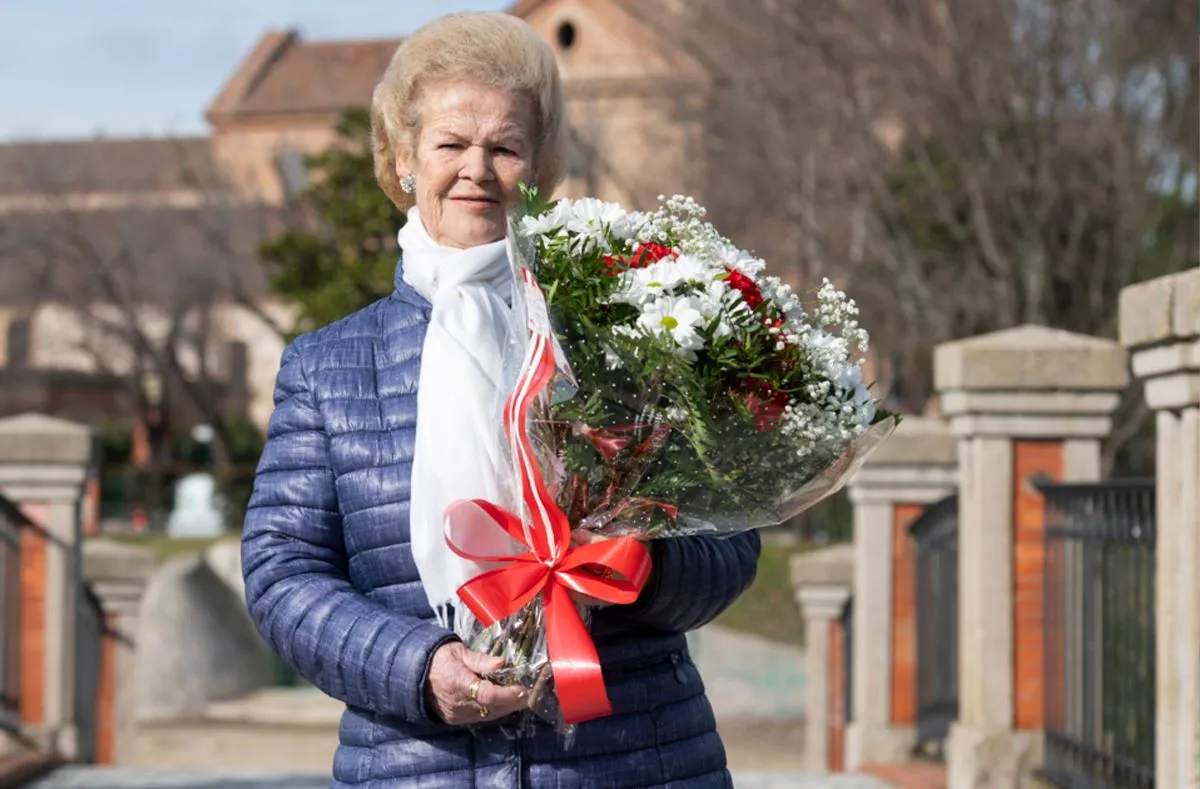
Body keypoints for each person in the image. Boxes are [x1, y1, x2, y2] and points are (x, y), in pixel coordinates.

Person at [241, 12, 760, 788]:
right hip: (417, 768)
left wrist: (636, 562)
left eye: (505, 146)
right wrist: (419, 668)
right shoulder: (325, 367)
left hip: (631, 761)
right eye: (451, 143)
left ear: (537, 166)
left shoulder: (617, 336)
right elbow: (282, 572)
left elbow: (735, 537)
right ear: (406, 159)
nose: (476, 168)